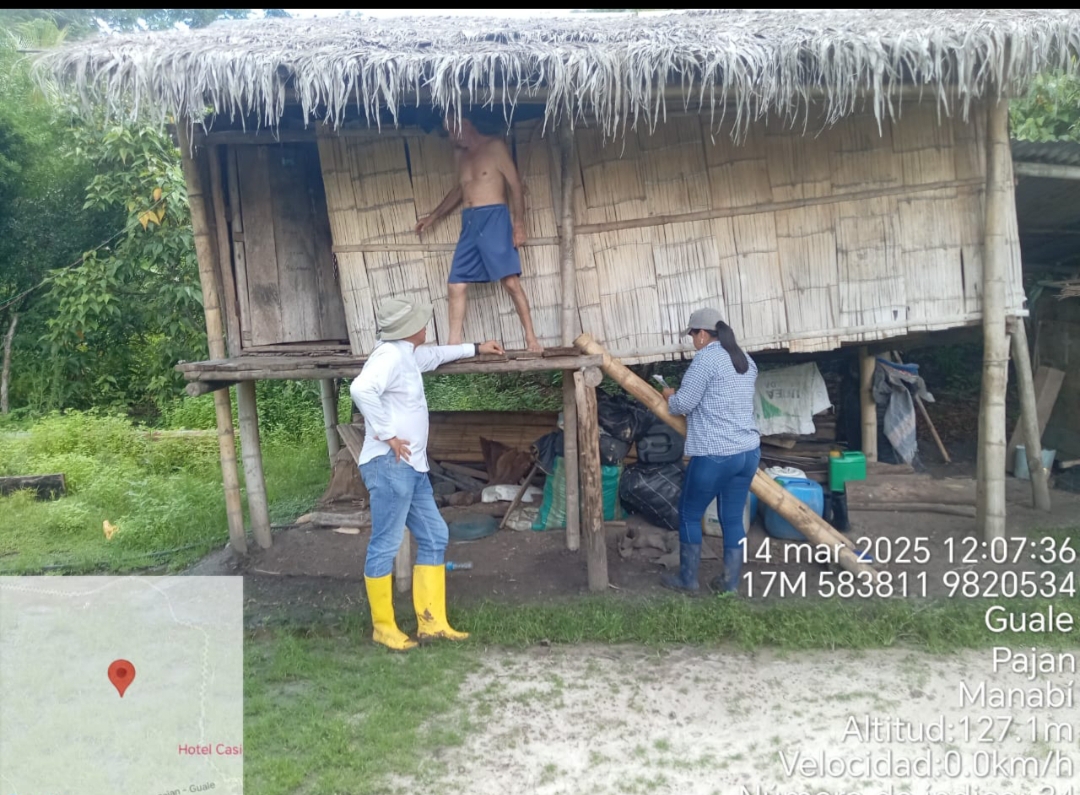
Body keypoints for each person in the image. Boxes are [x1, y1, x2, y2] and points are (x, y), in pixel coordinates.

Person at [350, 296, 505, 651]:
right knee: (386, 543)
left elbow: (435, 356)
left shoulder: (406, 354)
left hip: (412, 467)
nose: (425, 327)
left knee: (435, 535)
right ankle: (383, 627)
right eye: (421, 323)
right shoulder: (389, 356)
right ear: (409, 329)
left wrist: (476, 348)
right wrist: (388, 434)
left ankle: (432, 624)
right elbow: (360, 389)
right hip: (390, 465)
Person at [414, 111, 543, 353]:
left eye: (453, 130)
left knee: (510, 282)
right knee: (456, 284)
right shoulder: (460, 155)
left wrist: (519, 223)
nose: (451, 136)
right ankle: (453, 345)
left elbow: (515, 185)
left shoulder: (494, 147)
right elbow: (459, 190)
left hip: (495, 218)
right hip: (470, 222)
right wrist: (433, 216)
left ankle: (532, 339)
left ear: (466, 123)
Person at [660, 308, 761, 594]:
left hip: (716, 453)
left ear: (703, 334)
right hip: (748, 452)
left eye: (693, 335)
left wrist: (670, 396)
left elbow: (683, 404)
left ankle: (687, 579)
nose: (693, 341)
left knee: (689, 514)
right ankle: (729, 584)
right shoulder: (745, 359)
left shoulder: (705, 359)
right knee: (732, 518)